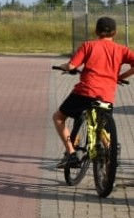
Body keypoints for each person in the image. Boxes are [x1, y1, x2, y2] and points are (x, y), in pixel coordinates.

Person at [52, 16, 134, 168]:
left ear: (96, 31)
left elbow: (71, 66)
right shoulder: (122, 50)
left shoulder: (89, 45)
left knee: (58, 117)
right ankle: (110, 150)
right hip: (106, 95)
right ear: (115, 33)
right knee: (100, 122)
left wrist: (64, 67)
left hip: (85, 92)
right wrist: (120, 76)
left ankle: (71, 154)